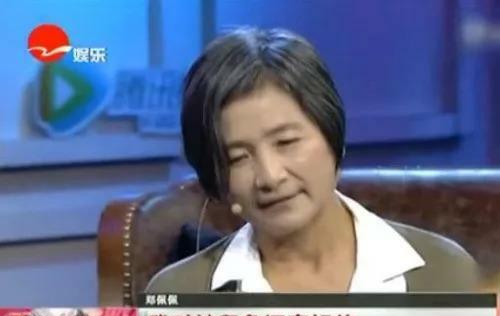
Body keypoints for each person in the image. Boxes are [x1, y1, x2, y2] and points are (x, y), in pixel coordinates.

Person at [147, 27, 479, 293]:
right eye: (238, 158)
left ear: (332, 135)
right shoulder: (181, 293)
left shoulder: (444, 272)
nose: (270, 176)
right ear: (218, 179)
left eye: (286, 142)